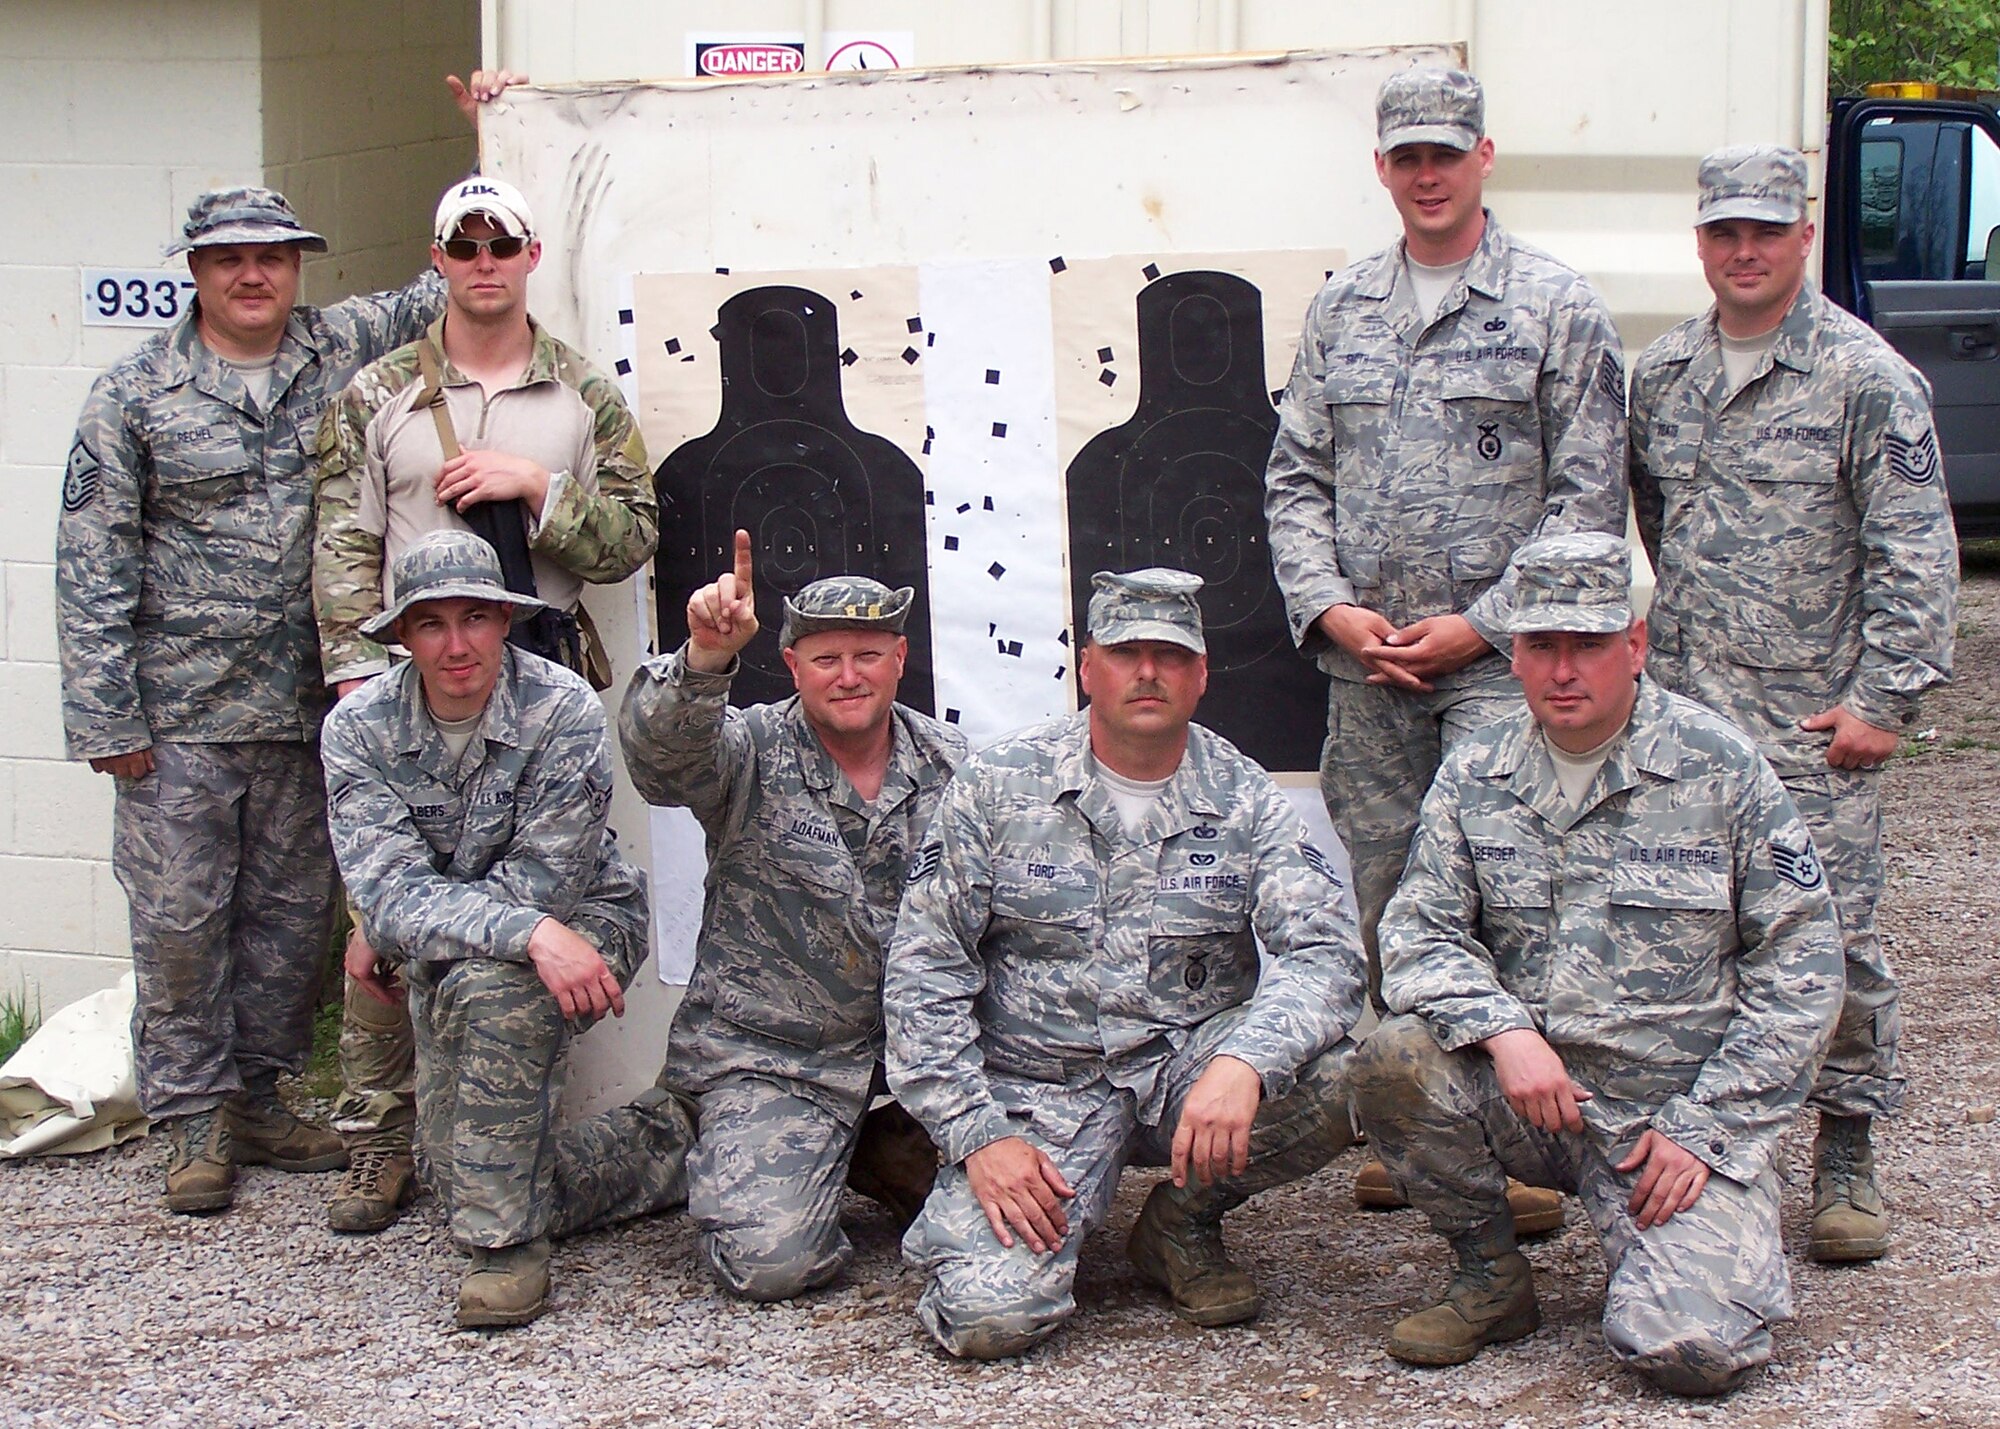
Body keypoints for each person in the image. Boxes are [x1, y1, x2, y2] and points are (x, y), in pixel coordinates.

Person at [1351, 532, 1843, 1396]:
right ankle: (1490, 1276)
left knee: (1688, 1353)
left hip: (1668, 1122)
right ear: (1516, 654)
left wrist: (1709, 1128)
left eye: (1588, 644)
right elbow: (1417, 932)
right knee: (1395, 1057)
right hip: (1531, 1098)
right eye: (1542, 645)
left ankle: (1671, 1256)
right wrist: (1504, 1032)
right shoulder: (1479, 767)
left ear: (1636, 644)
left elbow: (1802, 966)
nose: (1563, 670)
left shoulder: (1719, 766)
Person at [1262, 63, 1627, 1224]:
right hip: (1368, 672)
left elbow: (1586, 498)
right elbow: (1292, 480)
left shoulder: (1554, 307)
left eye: (1444, 154)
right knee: (1385, 890)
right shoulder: (1342, 309)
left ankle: (1522, 1143)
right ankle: (1408, 1126)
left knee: (1510, 896)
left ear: (1481, 158)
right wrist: (1329, 610)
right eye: (1404, 157)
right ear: (1381, 168)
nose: (1425, 175)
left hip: (1499, 674)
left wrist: (1485, 623)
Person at [885, 568, 1365, 1358]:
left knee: (1339, 1074)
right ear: (1086, 666)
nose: (1148, 671)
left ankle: (1180, 1224)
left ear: (1202, 674)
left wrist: (1246, 1059)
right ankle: (970, 1193)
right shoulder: (999, 787)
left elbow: (1327, 953)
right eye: (1126, 651)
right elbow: (922, 973)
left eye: (1171, 655)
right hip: (1040, 1091)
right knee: (989, 1318)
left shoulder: (1243, 797)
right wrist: (977, 1134)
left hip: (1185, 1075)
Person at [312, 172, 658, 1234]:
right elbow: (341, 542)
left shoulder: (583, 396)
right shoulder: (378, 396)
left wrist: (537, 489)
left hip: (536, 664)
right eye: (461, 247)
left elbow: (633, 534)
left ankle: (502, 1123)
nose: (481, 263)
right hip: (404, 674)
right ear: (439, 262)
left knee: (535, 885)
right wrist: (355, 684)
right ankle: (374, 1137)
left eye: (498, 244)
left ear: (528, 258)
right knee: (380, 920)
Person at [1630, 144, 1958, 1265]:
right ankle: (1715, 1143)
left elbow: (1914, 553)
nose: (1742, 251)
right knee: (1689, 932)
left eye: (1763, 232)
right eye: (1722, 232)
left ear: (1801, 236)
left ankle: (1848, 1150)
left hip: (1810, 730)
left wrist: (1884, 701)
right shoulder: (1663, 375)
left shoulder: (1864, 378)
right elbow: (1654, 523)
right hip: (1684, 721)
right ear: (1699, 241)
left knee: (1832, 938)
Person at [601, 532, 966, 1300]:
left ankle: (875, 1142)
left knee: (1037, 1206)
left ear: (900, 659)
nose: (849, 675)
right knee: (772, 1263)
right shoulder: (750, 748)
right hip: (774, 1056)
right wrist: (703, 660)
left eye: (868, 655)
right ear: (793, 666)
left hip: (913, 1060)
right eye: (826, 658)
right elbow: (663, 764)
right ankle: (731, 1136)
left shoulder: (955, 765)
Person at [320, 530, 651, 1328]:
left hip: (588, 920)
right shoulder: (358, 728)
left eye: (477, 617)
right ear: (403, 636)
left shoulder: (562, 706)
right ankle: (662, 1140)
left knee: (493, 992)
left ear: (507, 620)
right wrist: (435, 930)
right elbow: (386, 893)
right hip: (517, 939)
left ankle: (505, 1248)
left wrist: (419, 935)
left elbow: (550, 880)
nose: (459, 644)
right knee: (449, 1167)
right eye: (432, 624)